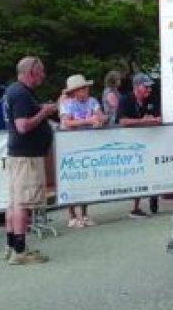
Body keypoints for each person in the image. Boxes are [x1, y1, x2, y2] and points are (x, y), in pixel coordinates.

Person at [3, 56, 59, 265]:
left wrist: (40, 110)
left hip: (20, 155)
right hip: (25, 156)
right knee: (22, 204)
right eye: (41, 71)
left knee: (14, 202)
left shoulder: (16, 92)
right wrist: (43, 112)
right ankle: (20, 251)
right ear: (30, 72)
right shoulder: (20, 94)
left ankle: (11, 247)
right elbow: (23, 126)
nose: (43, 75)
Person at [58, 73, 105, 227]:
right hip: (70, 146)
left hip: (87, 145)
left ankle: (84, 214)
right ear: (74, 91)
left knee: (87, 179)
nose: (86, 91)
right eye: (82, 89)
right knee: (70, 179)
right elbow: (66, 123)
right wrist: (88, 121)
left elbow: (101, 116)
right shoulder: (66, 103)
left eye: (86, 88)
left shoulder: (92, 101)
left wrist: (98, 121)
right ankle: (72, 216)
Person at [116, 72, 162, 217]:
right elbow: (122, 121)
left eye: (150, 87)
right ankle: (135, 207)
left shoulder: (153, 99)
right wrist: (144, 120)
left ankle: (153, 196)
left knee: (153, 169)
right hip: (129, 144)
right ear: (136, 87)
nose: (149, 89)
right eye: (146, 87)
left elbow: (158, 118)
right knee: (136, 173)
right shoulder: (125, 99)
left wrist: (155, 119)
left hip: (150, 141)